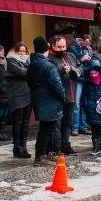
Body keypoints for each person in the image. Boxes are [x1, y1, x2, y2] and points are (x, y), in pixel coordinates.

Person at [27, 36, 66, 166]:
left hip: (38, 99)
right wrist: (63, 96)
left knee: (46, 128)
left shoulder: (32, 64)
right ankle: (40, 157)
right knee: (47, 130)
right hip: (50, 101)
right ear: (46, 49)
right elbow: (56, 85)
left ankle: (46, 154)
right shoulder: (48, 66)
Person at [47, 36, 82, 155]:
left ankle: (65, 144)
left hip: (71, 94)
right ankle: (55, 147)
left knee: (68, 123)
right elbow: (49, 74)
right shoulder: (49, 58)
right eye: (59, 47)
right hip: (57, 96)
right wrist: (61, 69)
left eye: (64, 46)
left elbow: (80, 67)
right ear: (53, 46)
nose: (62, 49)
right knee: (57, 124)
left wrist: (75, 70)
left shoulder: (70, 55)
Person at [5, 42, 32, 159]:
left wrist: (28, 71)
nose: (22, 53)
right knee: (18, 121)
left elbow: (27, 72)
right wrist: (29, 71)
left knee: (26, 122)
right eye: (19, 51)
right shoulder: (11, 60)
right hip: (16, 94)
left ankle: (23, 146)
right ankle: (17, 148)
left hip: (27, 93)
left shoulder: (28, 61)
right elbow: (21, 72)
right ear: (15, 51)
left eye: (23, 51)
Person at [68, 35, 93, 136]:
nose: (86, 46)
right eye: (85, 44)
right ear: (81, 40)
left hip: (86, 77)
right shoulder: (72, 48)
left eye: (88, 44)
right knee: (76, 103)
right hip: (77, 78)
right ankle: (75, 127)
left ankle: (83, 126)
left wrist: (89, 59)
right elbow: (72, 63)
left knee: (84, 103)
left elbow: (91, 61)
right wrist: (82, 59)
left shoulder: (89, 49)